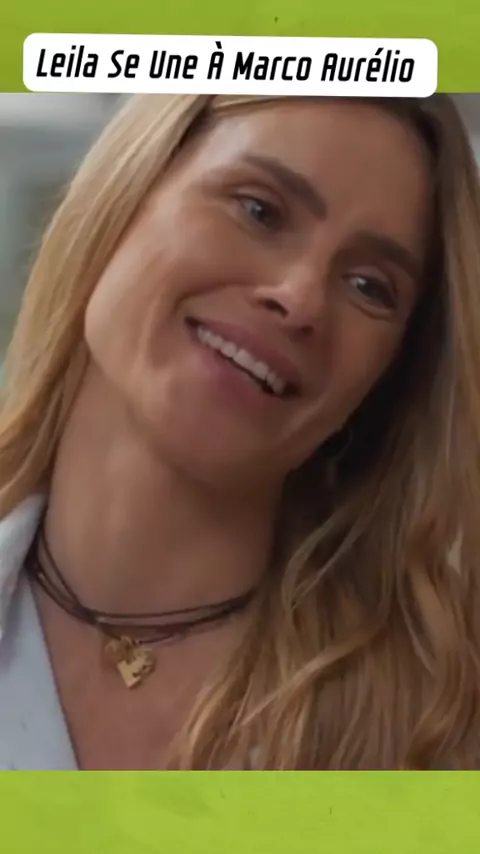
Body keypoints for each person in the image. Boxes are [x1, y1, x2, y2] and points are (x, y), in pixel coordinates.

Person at [0, 92, 479, 771]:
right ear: (123, 195)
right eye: (259, 211)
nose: (301, 297)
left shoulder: (437, 729)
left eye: (370, 285)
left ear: (391, 378)